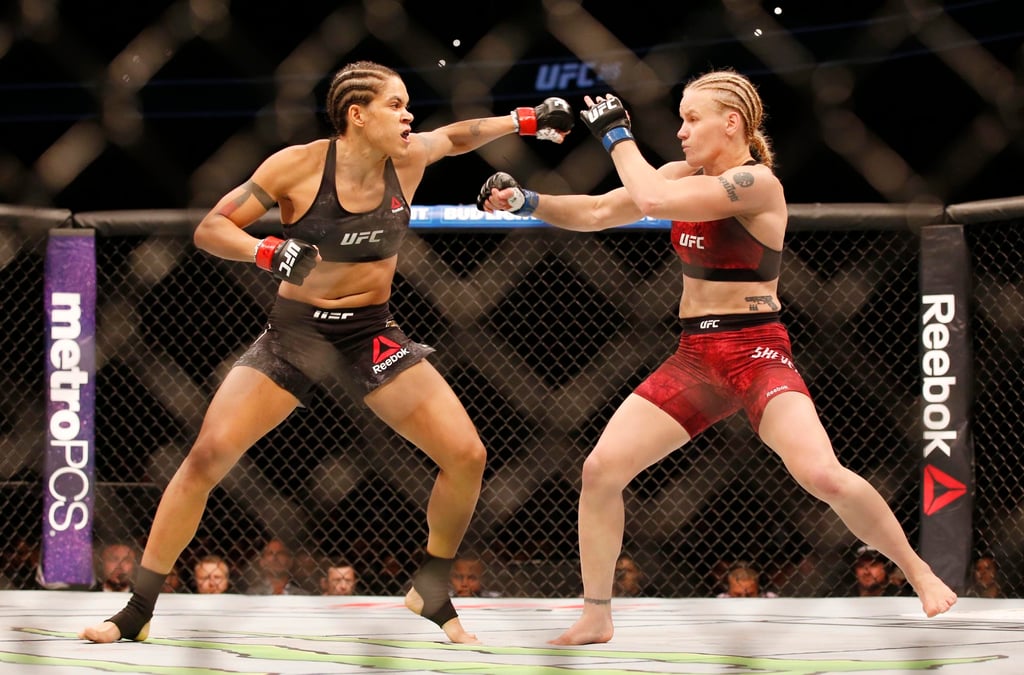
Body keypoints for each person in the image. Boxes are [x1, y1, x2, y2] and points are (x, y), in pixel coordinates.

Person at [78, 59, 573, 646]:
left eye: (408, 104)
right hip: (296, 334)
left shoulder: (408, 159)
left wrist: (527, 119)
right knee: (206, 456)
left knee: (466, 454)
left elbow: (459, 135)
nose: (409, 116)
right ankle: (138, 608)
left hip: (370, 334)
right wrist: (267, 252)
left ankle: (432, 586)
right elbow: (211, 228)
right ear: (357, 114)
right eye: (395, 104)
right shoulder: (298, 166)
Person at [477, 67, 957, 645]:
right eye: (679, 120)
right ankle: (597, 614)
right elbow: (600, 211)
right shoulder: (679, 176)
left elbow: (652, 198)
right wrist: (525, 201)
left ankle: (918, 571)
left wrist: (616, 134)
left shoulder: (757, 184)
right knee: (601, 471)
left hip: (755, 351)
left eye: (691, 119)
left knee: (821, 474)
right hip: (695, 357)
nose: (680, 131)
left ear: (732, 124)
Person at [243, 538, 310, 596]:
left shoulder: (303, 596)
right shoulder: (252, 594)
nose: (275, 558)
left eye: (280, 553)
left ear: (290, 561)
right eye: (270, 553)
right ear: (262, 562)